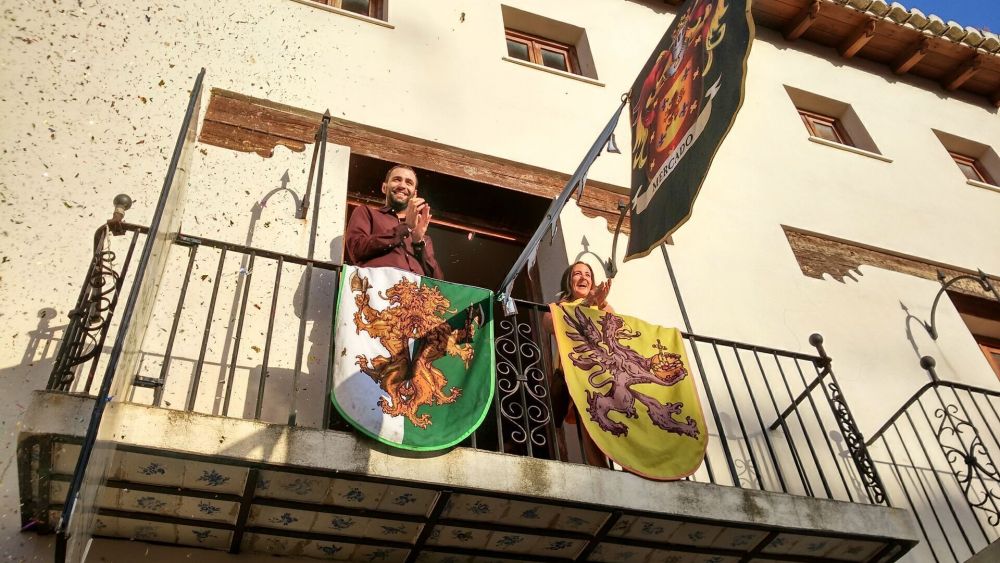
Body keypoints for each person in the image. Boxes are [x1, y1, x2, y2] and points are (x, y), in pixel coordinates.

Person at [544, 261, 614, 468]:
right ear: (569, 280)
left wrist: (598, 305)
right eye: (577, 274)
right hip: (572, 373)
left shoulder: (604, 306)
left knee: (603, 418)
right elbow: (550, 325)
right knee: (585, 416)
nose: (583, 278)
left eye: (588, 274)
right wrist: (586, 305)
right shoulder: (558, 307)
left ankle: (608, 465)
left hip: (600, 373)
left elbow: (616, 333)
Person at [345, 164, 444, 278]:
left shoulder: (422, 237)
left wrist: (418, 244)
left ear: (414, 194)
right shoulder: (366, 212)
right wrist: (405, 228)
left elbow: (438, 282)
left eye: (409, 182)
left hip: (413, 294)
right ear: (384, 188)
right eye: (397, 180)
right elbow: (356, 249)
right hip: (376, 291)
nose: (402, 185)